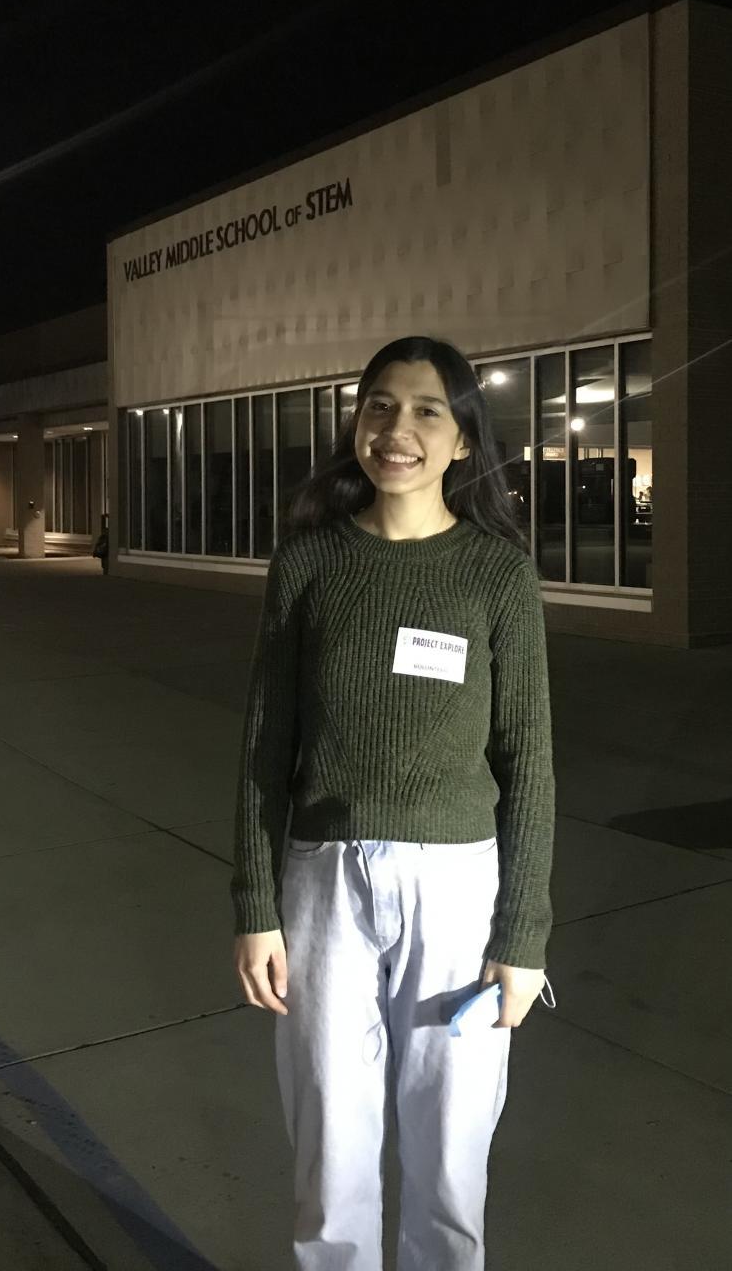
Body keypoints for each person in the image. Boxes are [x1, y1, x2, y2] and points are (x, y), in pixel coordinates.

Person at [231, 336, 556, 1271]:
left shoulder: (497, 573)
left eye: (425, 410)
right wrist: (255, 905)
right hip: (323, 885)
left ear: (463, 440)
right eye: (379, 405)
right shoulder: (310, 564)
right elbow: (265, 747)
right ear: (356, 422)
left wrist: (522, 936)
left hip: (457, 890)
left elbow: (529, 762)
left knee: (451, 1150)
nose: (396, 429)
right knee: (328, 1146)